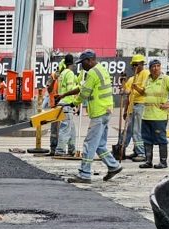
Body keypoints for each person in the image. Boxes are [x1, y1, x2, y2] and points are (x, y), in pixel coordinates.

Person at [67, 50, 122, 183]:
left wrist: (74, 102)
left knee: (89, 144)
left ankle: (84, 174)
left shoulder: (92, 72)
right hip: (106, 111)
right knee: (99, 145)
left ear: (90, 60)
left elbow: (85, 93)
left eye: (84, 63)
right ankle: (113, 166)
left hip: (99, 112)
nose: (82, 66)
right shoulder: (102, 69)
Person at [136, 59, 169, 169]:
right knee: (146, 139)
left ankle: (163, 162)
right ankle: (148, 161)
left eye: (158, 66)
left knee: (161, 139)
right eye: (153, 66)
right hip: (147, 115)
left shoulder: (166, 79)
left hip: (159, 116)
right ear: (150, 69)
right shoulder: (148, 79)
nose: (156, 68)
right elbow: (144, 92)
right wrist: (136, 87)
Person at [122, 54, 149, 161]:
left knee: (137, 130)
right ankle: (131, 150)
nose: (134, 67)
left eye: (136, 65)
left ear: (142, 64)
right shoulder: (134, 77)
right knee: (129, 130)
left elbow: (144, 91)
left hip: (141, 104)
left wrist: (135, 86)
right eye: (133, 65)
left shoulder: (145, 74)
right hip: (132, 106)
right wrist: (123, 82)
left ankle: (141, 153)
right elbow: (127, 92)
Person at [54, 54, 80, 157]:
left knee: (71, 129)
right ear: (72, 63)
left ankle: (71, 149)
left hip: (63, 103)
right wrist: (78, 90)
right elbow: (70, 90)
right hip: (67, 103)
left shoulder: (62, 73)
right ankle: (60, 150)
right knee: (65, 128)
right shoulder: (69, 73)